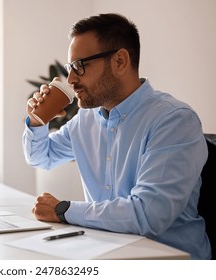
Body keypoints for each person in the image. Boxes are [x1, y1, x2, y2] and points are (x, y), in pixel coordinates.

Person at [23, 13, 211, 259]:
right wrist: (38, 121)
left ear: (120, 61)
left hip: (170, 261)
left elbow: (147, 215)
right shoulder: (86, 120)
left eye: (79, 65)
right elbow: (40, 157)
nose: (70, 79)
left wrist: (63, 210)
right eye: (70, 68)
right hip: (107, 253)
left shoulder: (174, 120)